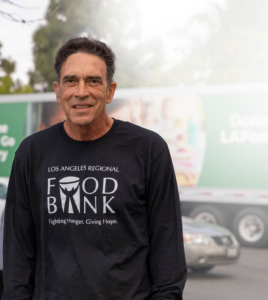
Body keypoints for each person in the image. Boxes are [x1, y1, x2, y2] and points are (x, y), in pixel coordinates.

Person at [3, 37, 187, 299]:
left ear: (110, 91)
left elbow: (167, 251)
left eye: (93, 80)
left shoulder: (148, 150)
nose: (81, 91)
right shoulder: (32, 153)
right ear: (57, 90)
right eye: (70, 81)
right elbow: (17, 255)